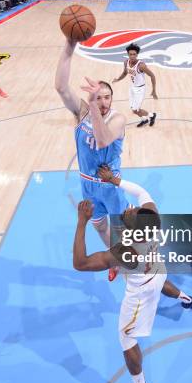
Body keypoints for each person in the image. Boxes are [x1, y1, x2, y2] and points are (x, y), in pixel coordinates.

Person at [73, 169, 192, 383]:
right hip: (156, 270)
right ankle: (188, 300)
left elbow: (80, 263)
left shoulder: (126, 252)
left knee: (127, 339)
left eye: (130, 213)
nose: (129, 209)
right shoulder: (153, 218)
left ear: (132, 230)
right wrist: (115, 180)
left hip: (140, 292)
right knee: (161, 282)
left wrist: (81, 223)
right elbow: (142, 192)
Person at [55, 39, 127, 281]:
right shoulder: (83, 113)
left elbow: (103, 139)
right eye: (99, 97)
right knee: (99, 226)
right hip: (88, 183)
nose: (103, 102)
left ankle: (123, 257)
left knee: (120, 230)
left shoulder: (118, 119)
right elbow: (61, 88)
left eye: (107, 97)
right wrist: (69, 45)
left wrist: (93, 106)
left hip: (111, 184)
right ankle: (113, 260)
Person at [112, 43, 157, 127]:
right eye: (130, 54)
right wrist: (118, 79)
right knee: (133, 109)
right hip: (132, 87)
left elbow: (152, 75)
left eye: (134, 54)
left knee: (136, 110)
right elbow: (125, 73)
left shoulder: (141, 65)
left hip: (140, 89)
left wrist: (154, 90)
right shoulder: (126, 62)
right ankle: (144, 120)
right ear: (128, 54)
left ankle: (152, 115)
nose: (132, 56)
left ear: (137, 54)